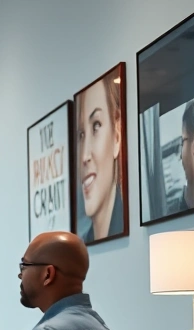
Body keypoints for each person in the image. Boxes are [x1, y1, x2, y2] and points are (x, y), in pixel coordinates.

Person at [76, 72, 125, 243]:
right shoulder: (82, 244)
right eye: (81, 134)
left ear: (117, 135)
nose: (84, 156)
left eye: (96, 126)